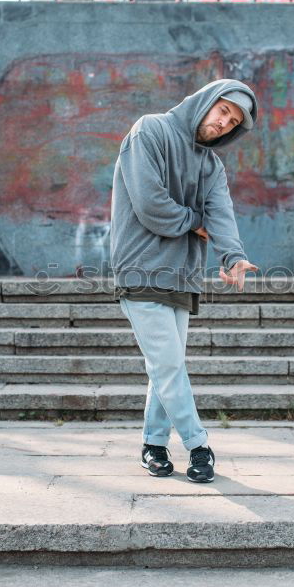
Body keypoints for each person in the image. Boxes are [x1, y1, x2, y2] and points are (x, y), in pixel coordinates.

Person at [109, 78, 260, 483]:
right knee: (170, 365)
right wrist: (196, 223)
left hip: (184, 274)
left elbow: (221, 214)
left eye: (232, 123)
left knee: (164, 368)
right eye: (222, 111)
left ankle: (154, 445)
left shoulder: (211, 165)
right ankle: (199, 446)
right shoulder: (150, 130)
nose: (224, 124)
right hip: (141, 268)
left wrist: (234, 256)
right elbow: (150, 204)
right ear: (206, 101)